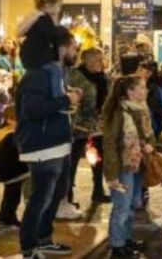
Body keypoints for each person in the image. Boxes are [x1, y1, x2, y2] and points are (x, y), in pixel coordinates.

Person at [15, 27, 83, 258]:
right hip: (43, 145)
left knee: (57, 193)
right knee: (41, 197)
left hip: (58, 142)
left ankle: (43, 238)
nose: (76, 52)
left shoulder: (57, 73)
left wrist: (67, 98)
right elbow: (32, 109)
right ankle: (29, 246)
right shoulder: (39, 74)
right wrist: (65, 99)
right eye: (74, 47)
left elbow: (50, 103)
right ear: (61, 48)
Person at [102, 75, 155, 259]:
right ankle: (117, 246)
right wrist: (111, 175)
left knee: (132, 205)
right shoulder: (117, 112)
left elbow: (148, 134)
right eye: (141, 87)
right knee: (122, 207)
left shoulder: (139, 110)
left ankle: (125, 239)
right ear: (130, 92)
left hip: (136, 164)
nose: (145, 91)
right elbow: (109, 144)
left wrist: (149, 144)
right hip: (122, 166)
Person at [64, 47, 106, 214]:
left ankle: (98, 191)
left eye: (101, 60)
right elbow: (73, 101)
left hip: (98, 126)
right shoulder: (75, 76)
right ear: (85, 61)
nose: (100, 64)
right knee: (72, 162)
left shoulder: (102, 78)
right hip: (78, 126)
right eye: (96, 60)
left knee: (98, 159)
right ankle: (68, 196)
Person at [0, 105, 28, 228]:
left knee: (10, 195)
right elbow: (14, 155)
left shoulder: (2, 133)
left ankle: (6, 217)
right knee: (12, 197)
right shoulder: (10, 136)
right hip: (14, 173)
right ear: (9, 120)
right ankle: (5, 218)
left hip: (8, 172)